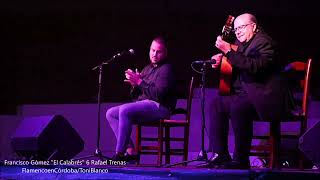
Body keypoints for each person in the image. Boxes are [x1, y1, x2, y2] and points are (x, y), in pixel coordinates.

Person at [202, 13, 290, 169]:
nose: (238, 32)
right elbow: (237, 64)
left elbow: (254, 66)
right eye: (236, 29)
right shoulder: (240, 44)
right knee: (216, 104)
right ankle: (220, 154)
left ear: (254, 27)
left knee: (238, 106)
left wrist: (229, 53)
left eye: (241, 27)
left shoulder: (264, 42)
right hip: (246, 95)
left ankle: (241, 159)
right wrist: (222, 60)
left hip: (265, 96)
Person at [106, 36, 176, 161]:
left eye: (158, 51)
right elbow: (136, 96)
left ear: (165, 53)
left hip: (161, 107)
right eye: (152, 50)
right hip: (146, 104)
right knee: (110, 113)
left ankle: (119, 154)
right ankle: (131, 151)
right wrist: (135, 85)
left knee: (125, 110)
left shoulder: (167, 69)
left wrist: (139, 81)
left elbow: (158, 95)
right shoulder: (147, 68)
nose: (154, 54)